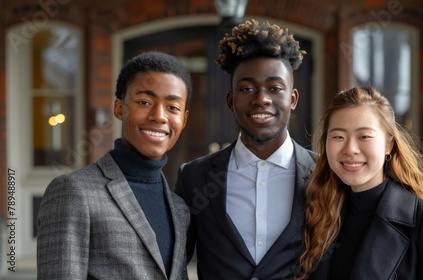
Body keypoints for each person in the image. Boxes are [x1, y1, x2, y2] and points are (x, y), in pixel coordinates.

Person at [175, 19, 316, 280]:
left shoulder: (324, 174)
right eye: (247, 88)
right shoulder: (194, 177)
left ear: (293, 99)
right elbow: (174, 264)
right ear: (231, 100)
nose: (261, 99)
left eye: (275, 88)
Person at [37, 51, 192, 279]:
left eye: (173, 107)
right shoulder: (73, 191)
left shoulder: (179, 209)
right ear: (119, 108)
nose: (159, 116)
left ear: (184, 120)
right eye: (144, 102)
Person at [297, 86, 423, 279]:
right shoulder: (317, 212)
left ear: (389, 144)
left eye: (364, 136)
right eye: (338, 137)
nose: (350, 149)